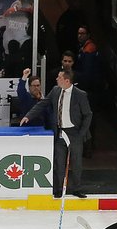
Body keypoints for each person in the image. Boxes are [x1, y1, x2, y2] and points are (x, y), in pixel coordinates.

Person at [21, 67, 93, 198]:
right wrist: (28, 116)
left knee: (76, 162)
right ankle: (59, 189)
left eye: (59, 77)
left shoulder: (80, 94)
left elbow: (88, 115)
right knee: (59, 162)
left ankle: (77, 188)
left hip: (74, 132)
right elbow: (42, 104)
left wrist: (82, 133)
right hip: (60, 131)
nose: (56, 79)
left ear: (66, 80)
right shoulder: (55, 90)